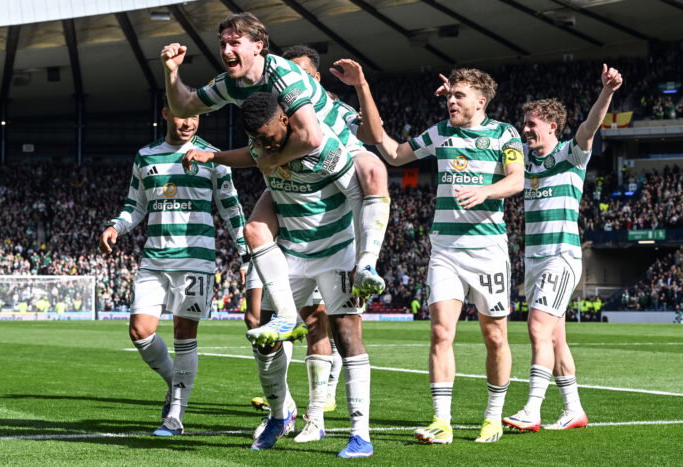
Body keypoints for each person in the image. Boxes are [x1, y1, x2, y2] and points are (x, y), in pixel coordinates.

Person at [160, 13, 388, 345]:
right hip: (293, 165)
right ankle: (284, 317)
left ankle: (366, 265)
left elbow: (311, 137)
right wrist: (171, 73)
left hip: (336, 153)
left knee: (374, 171)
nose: (226, 50)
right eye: (222, 43)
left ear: (259, 45)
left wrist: (268, 160)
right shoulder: (231, 82)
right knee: (254, 230)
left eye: (234, 43)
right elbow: (182, 102)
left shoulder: (283, 74)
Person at [184, 91, 373, 458]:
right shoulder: (261, 146)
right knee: (264, 335)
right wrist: (213, 155)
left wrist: (363, 261)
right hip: (291, 257)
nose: (263, 145)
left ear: (285, 119)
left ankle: (360, 433)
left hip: (336, 255)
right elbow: (245, 156)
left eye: (268, 136)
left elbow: (359, 197)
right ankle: (279, 414)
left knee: (347, 338)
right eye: (256, 139)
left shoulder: (325, 149)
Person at [352, 62, 525, 444]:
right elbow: (396, 154)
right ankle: (441, 421)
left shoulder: (503, 134)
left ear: (481, 101)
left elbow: (517, 180)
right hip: (445, 249)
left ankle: (493, 417)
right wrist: (364, 93)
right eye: (449, 96)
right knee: (441, 332)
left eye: (459, 96)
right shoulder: (441, 133)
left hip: (488, 251)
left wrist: (486, 192)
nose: (451, 102)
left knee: (495, 337)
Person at [99, 101, 247, 436]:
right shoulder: (146, 155)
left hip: (196, 259)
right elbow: (135, 206)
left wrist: (245, 252)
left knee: (184, 336)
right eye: (182, 116)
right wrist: (115, 227)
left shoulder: (214, 157)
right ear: (166, 114)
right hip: (154, 259)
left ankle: (175, 415)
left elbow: (231, 208)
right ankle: (176, 384)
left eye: (194, 116)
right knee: (139, 331)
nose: (188, 123)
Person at [503, 64, 623, 432]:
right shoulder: (522, 162)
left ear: (552, 126)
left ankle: (532, 409)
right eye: (524, 125)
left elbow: (590, 127)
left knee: (537, 328)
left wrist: (607, 92)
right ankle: (574, 409)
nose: (525, 130)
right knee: (555, 337)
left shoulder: (571, 154)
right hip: (535, 261)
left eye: (531, 124)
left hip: (561, 256)